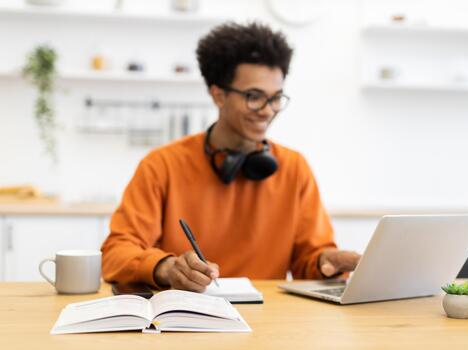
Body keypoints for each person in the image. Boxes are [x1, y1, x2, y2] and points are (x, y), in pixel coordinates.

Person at [101, 22, 361, 292]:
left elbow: (308, 260)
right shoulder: (161, 165)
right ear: (218, 95)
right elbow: (116, 253)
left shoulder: (294, 168)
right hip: (186, 318)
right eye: (253, 96)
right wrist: (166, 267)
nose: (267, 110)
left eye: (275, 98)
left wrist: (326, 261)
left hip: (269, 321)